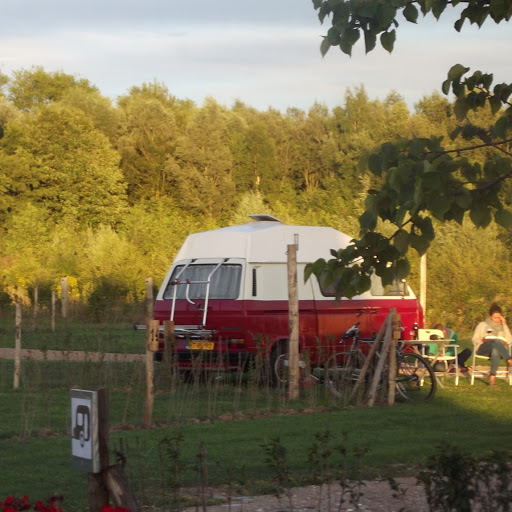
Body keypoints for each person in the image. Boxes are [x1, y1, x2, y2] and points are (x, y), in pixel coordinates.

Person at [472, 303, 512, 386]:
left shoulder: (502, 327)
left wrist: (505, 324)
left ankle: (492, 376)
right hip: (483, 348)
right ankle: (509, 359)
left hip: (499, 351)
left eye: (499, 317)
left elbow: (509, 340)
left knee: (495, 348)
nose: (497, 319)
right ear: (490, 316)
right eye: (495, 317)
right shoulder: (483, 325)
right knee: (495, 341)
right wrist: (483, 340)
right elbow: (474, 339)